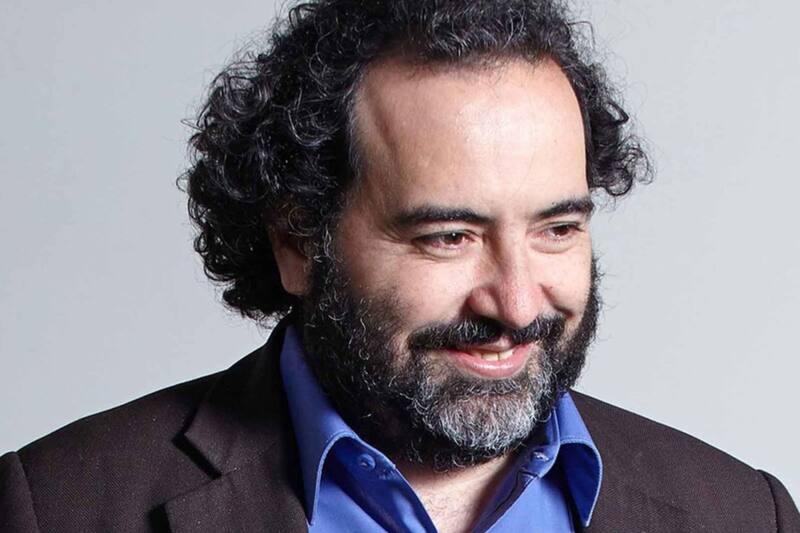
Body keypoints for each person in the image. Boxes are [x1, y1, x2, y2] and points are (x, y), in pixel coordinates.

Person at [1, 0, 798, 531]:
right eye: (449, 236)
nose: (517, 302)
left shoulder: (743, 514)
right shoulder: (58, 508)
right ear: (296, 240)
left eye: (557, 228)